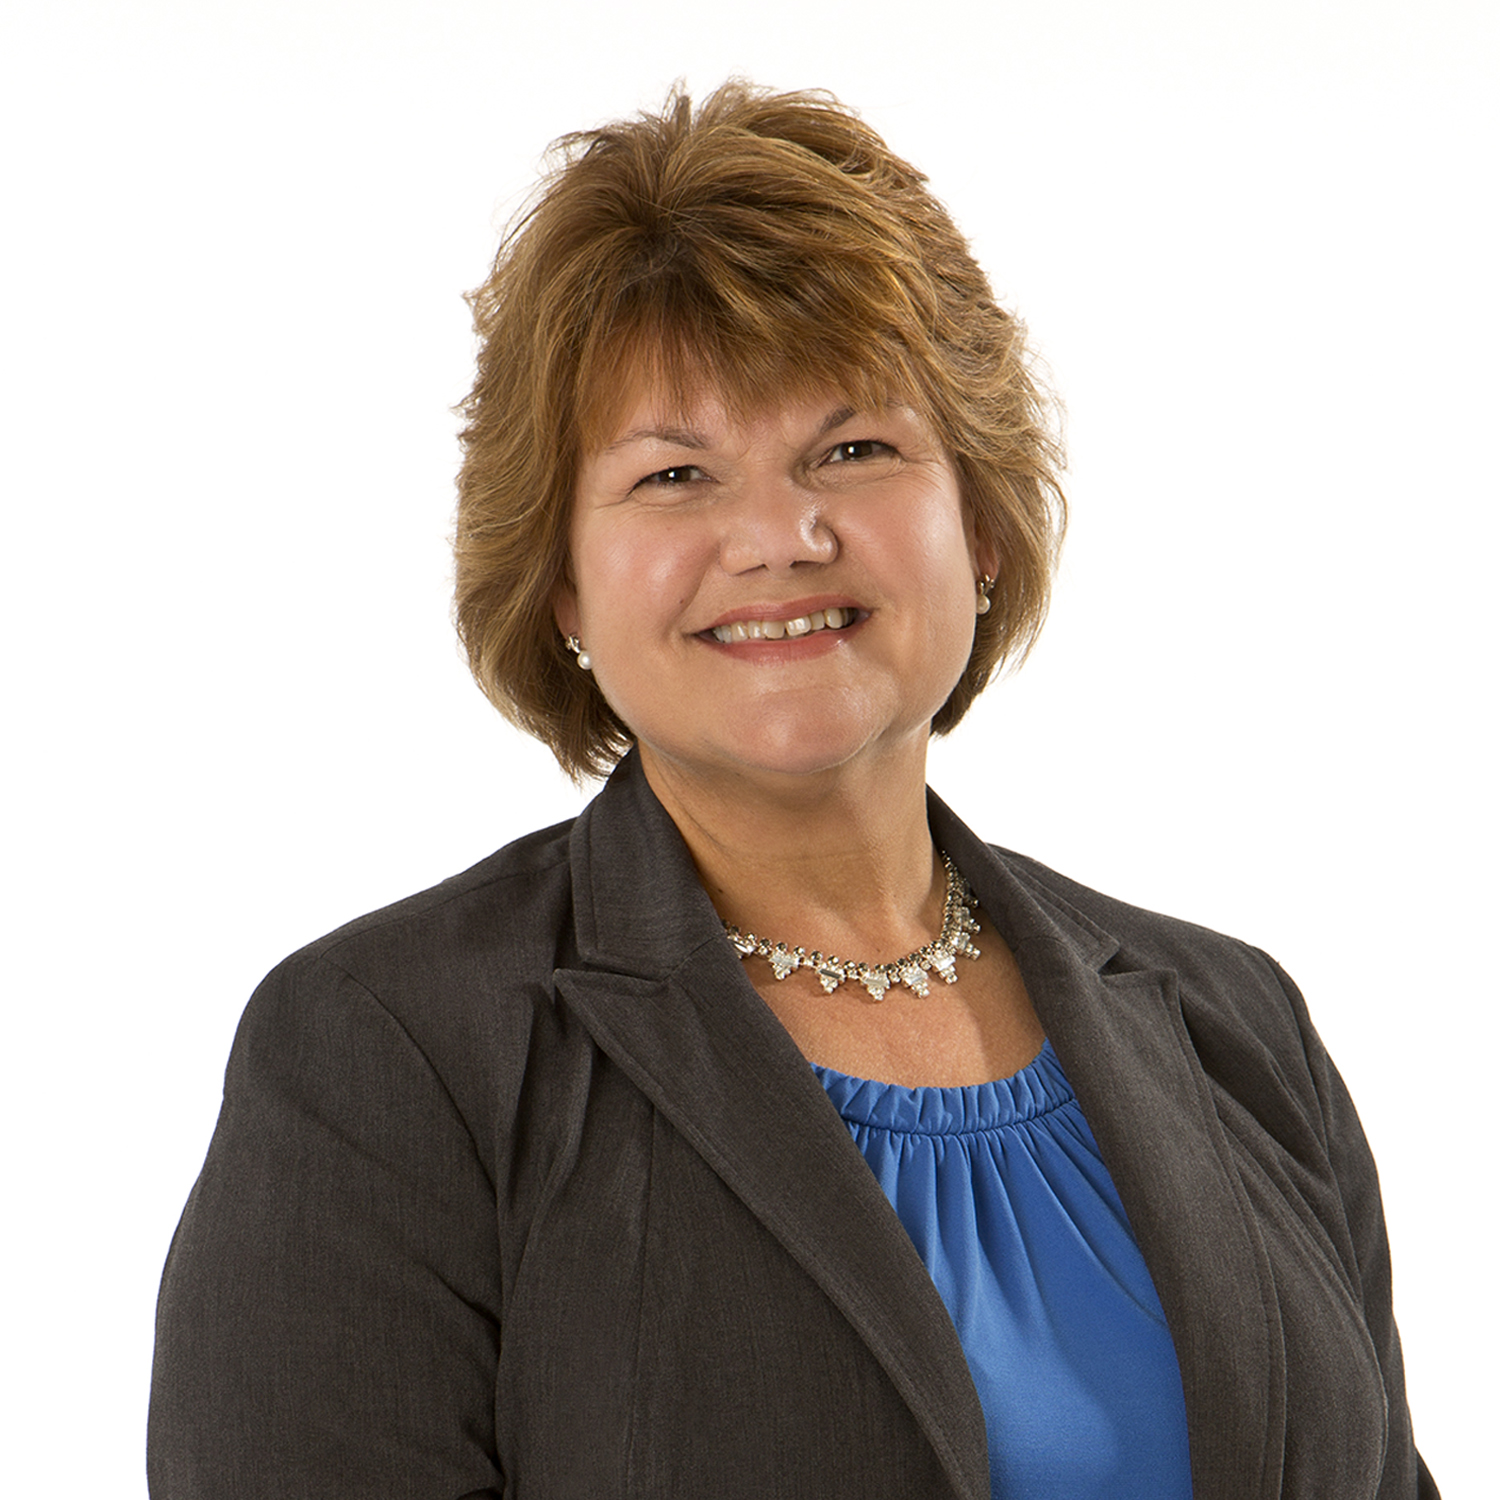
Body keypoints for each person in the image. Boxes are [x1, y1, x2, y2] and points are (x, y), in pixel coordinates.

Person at [148, 82, 1437, 1500]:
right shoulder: (388, 1057)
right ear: (563, 581)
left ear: (981, 524)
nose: (779, 535)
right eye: (675, 474)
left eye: (854, 450)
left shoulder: (1237, 1026)